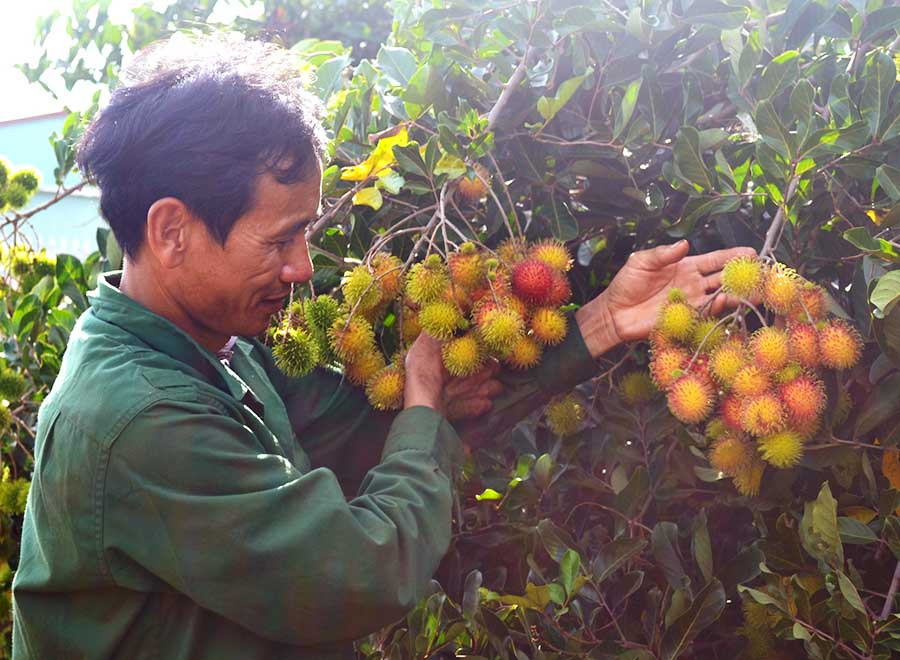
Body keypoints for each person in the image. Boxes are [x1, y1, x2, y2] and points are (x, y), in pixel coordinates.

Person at [11, 33, 753, 659]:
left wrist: (601, 322)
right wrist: (424, 396)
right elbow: (360, 574)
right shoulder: (138, 418)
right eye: (281, 239)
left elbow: (391, 437)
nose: (303, 267)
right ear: (172, 231)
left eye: (305, 231)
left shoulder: (213, 346)